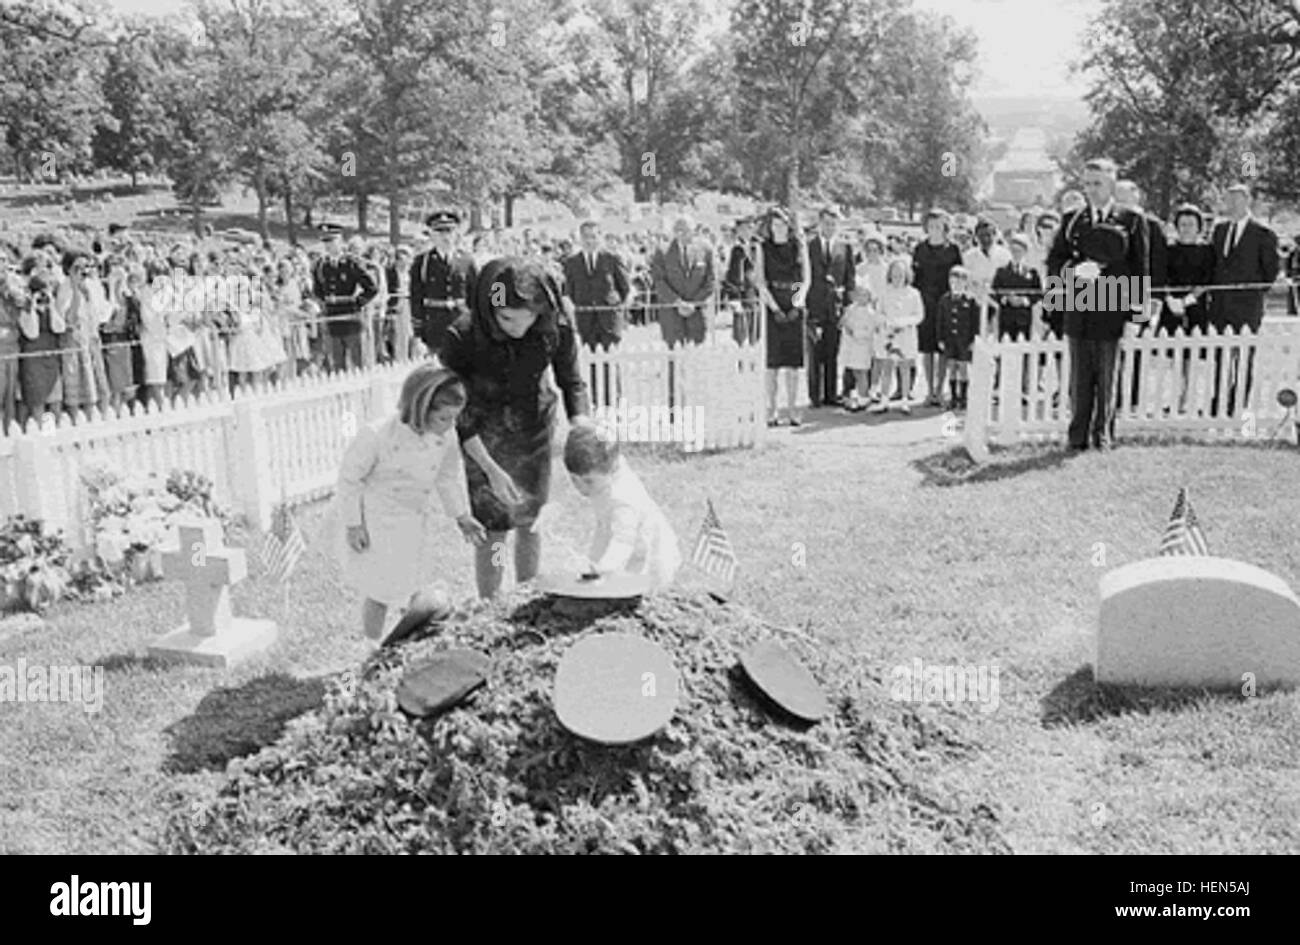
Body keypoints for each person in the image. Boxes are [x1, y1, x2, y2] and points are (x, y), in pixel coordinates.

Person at [439, 256, 593, 600]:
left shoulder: (557, 324)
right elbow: (458, 412)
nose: (518, 329)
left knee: (529, 521)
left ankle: (526, 597)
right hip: (481, 435)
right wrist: (490, 469)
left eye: (529, 319)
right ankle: (491, 606)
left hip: (533, 430)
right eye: (507, 318)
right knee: (493, 531)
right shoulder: (461, 336)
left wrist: (581, 425)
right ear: (489, 307)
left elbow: (572, 381)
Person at [331, 364, 488, 642]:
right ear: (419, 408)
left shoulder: (446, 437)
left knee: (416, 582)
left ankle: (412, 641)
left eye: (455, 418)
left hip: (413, 519)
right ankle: (371, 647)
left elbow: (447, 478)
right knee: (380, 589)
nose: (451, 425)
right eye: (443, 418)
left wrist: (461, 516)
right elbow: (350, 479)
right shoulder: (378, 434)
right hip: (378, 519)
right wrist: (354, 525)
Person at [1045, 157, 1149, 452]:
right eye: (1087, 183)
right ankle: (1077, 437)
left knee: (1107, 379)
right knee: (1080, 379)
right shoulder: (1072, 220)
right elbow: (1054, 263)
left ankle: (1103, 436)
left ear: (1112, 183)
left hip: (1114, 309)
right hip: (1079, 309)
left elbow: (1141, 270)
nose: (1091, 189)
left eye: (1098, 183)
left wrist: (1136, 318)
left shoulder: (1131, 219)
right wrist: (1073, 271)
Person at [563, 425, 681, 592]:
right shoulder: (602, 481)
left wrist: (603, 567)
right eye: (574, 479)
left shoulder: (623, 498)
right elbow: (603, 528)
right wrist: (593, 563)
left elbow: (623, 540)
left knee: (642, 594)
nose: (581, 488)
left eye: (588, 481)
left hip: (651, 553)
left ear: (612, 469)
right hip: (626, 547)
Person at [1207, 183, 1280, 416]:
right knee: (1221, 355)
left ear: (1247, 200)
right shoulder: (1219, 231)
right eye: (1228, 200)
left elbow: (1270, 272)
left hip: (1248, 305)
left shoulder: (1263, 233)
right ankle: (1219, 399)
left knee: (1244, 356)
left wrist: (1250, 293)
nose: (1232, 204)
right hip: (1220, 304)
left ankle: (1239, 401)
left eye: (1237, 199)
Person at [755, 208, 811, 426]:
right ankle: (772, 409)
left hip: (795, 302)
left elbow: (806, 279)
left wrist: (797, 303)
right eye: (775, 224)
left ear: (789, 225)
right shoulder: (763, 247)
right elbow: (761, 281)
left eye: (783, 224)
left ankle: (792, 408)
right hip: (773, 304)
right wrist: (774, 307)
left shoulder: (799, 245)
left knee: (793, 365)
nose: (779, 228)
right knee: (772, 364)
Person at [1160, 204, 1215, 414]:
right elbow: (1162, 276)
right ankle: (1176, 397)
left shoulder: (1206, 250)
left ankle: (1189, 396)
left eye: (1191, 224)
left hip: (1196, 305)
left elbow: (1207, 278)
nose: (1186, 228)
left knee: (1192, 355)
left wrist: (1189, 299)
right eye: (1182, 224)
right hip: (1172, 305)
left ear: (1199, 226)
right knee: (1176, 355)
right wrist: (1170, 299)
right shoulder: (1169, 249)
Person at [806, 207, 856, 407]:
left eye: (834, 223)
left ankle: (830, 394)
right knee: (815, 353)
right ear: (820, 223)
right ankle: (815, 396)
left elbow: (850, 278)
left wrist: (848, 307)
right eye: (826, 223)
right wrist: (800, 303)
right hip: (814, 306)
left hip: (835, 307)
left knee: (832, 352)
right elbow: (800, 279)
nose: (830, 227)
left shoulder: (845, 247)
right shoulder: (809, 246)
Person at [912, 210, 962, 407]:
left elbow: (958, 277)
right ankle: (929, 390)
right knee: (927, 349)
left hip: (946, 303)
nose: (934, 229)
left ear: (945, 227)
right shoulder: (919, 249)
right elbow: (915, 278)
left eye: (939, 226)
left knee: (943, 348)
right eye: (931, 225)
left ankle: (940, 389)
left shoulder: (953, 250)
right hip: (925, 302)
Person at [561, 220, 632, 352]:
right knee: (592, 364)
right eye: (585, 237)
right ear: (580, 238)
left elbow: (626, 289)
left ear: (600, 237)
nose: (589, 241)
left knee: (609, 364)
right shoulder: (571, 263)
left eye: (593, 236)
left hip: (609, 322)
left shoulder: (612, 259)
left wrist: (618, 300)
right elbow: (567, 292)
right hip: (586, 323)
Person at [313, 229, 378, 372]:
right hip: (332, 317)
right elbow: (317, 290)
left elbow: (372, 288)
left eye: (332, 241)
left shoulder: (351, 262)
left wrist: (357, 303)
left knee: (358, 361)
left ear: (340, 241)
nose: (328, 245)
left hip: (350, 316)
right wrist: (323, 304)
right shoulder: (320, 265)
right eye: (325, 242)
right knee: (337, 364)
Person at [57, 250, 111, 416]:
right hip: (73, 343)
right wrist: (75, 290)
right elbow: (68, 319)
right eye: (77, 267)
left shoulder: (93, 285)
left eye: (86, 266)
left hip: (92, 339)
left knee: (101, 387)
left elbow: (103, 315)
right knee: (79, 390)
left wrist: (89, 294)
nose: (83, 271)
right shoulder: (64, 287)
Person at [869, 258, 923, 415]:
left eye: (900, 275)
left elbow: (919, 315)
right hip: (889, 335)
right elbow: (879, 313)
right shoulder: (885, 292)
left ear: (906, 275)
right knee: (887, 367)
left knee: (905, 367)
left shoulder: (914, 293)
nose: (897, 278)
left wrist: (904, 322)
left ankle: (905, 400)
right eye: (894, 275)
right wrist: (886, 322)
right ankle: (884, 400)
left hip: (906, 335)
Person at [651, 214, 713, 347]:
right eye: (678, 230)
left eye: (686, 230)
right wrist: (678, 303)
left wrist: (693, 303)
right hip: (672, 314)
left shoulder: (706, 249)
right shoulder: (662, 251)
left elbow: (710, 281)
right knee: (675, 356)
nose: (682, 234)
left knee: (697, 356)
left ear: (694, 230)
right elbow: (659, 282)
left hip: (696, 312)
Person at [936, 266, 980, 410]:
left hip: (964, 340)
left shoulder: (970, 300)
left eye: (960, 283)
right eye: (953, 282)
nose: (956, 285)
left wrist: (974, 339)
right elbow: (940, 321)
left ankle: (964, 396)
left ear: (965, 283)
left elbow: (975, 322)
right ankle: (954, 396)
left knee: (963, 367)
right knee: (952, 367)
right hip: (950, 339)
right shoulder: (944, 300)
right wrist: (940, 338)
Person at [838, 283, 877, 412]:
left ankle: (863, 398)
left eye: (864, 295)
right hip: (851, 347)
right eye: (859, 294)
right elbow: (843, 323)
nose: (861, 298)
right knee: (854, 371)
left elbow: (870, 331)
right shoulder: (850, 309)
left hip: (863, 346)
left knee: (862, 372)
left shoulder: (871, 313)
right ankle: (853, 396)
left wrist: (856, 333)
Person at [722, 216, 761, 345]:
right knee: (741, 334)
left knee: (756, 332)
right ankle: (742, 362)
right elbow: (730, 275)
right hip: (741, 294)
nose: (746, 232)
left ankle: (754, 361)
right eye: (743, 228)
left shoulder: (759, 246)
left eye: (749, 228)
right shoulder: (734, 249)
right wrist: (733, 297)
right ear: (738, 230)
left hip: (757, 294)